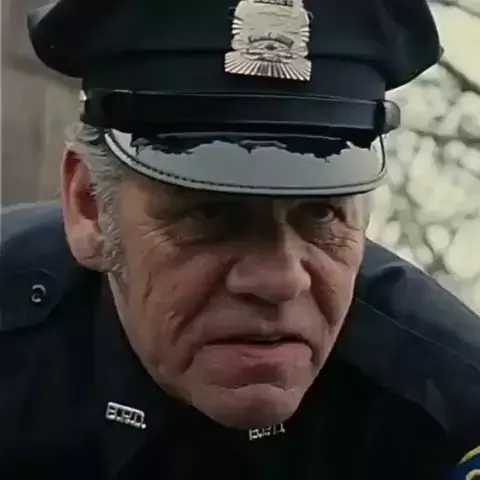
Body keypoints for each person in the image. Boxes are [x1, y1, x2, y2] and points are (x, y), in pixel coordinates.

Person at [0, 0, 479, 478]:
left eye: (321, 214)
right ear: (90, 207)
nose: (280, 280)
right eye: (210, 213)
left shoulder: (451, 411)